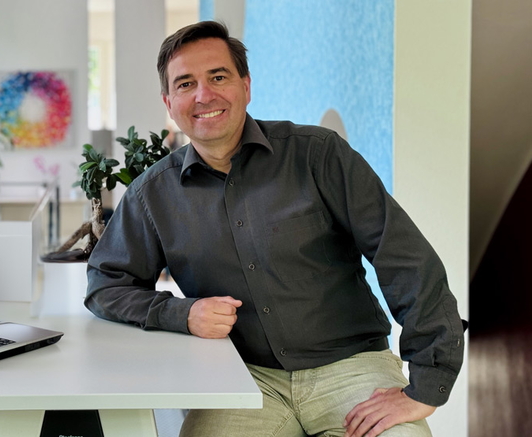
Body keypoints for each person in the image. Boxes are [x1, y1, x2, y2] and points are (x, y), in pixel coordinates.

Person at [85, 21, 464, 437]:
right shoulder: (152, 194)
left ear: (246, 86)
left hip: (352, 368)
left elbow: (404, 257)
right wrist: (182, 313)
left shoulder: (317, 155)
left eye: (218, 77)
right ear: (169, 103)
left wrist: (428, 382)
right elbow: (105, 285)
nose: (203, 95)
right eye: (185, 84)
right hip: (242, 377)